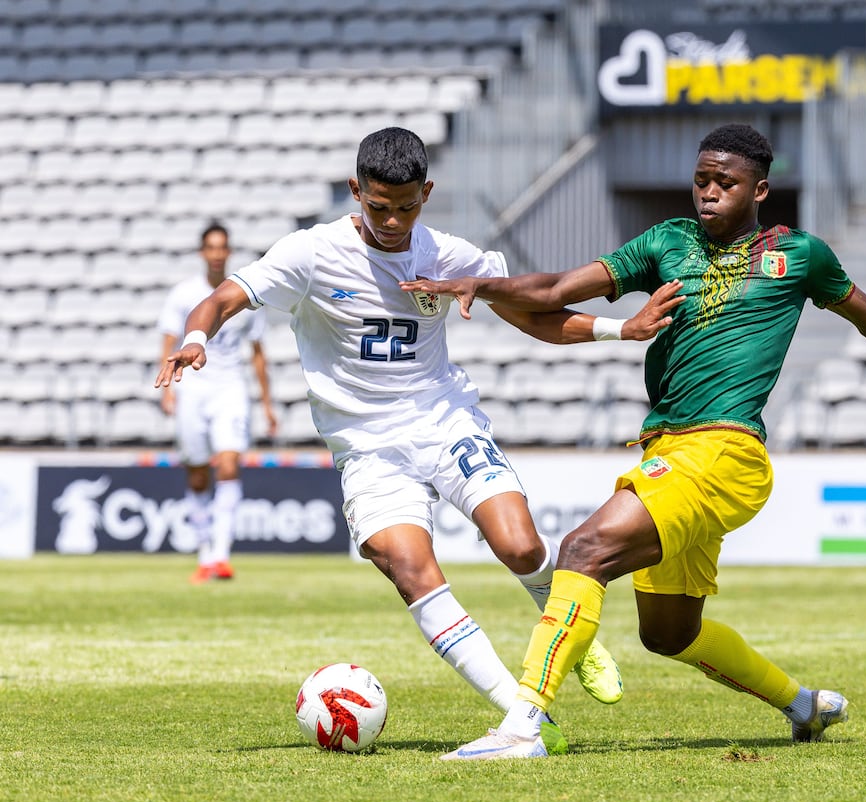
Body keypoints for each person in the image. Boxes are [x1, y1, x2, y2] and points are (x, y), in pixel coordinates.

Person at [400, 123, 866, 760]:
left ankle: (523, 727)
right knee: (669, 633)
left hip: (726, 453)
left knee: (583, 549)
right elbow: (559, 290)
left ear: (759, 190)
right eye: (701, 180)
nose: (708, 193)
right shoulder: (666, 242)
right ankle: (802, 704)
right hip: (667, 451)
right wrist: (480, 284)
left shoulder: (799, 255)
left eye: (724, 183)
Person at [155, 127, 684, 725]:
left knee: (521, 544)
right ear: (356, 190)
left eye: (406, 208)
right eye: (378, 207)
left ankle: (570, 633)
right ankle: (521, 714)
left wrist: (622, 329)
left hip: (444, 420)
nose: (392, 222)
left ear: (426, 193)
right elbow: (224, 298)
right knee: (410, 567)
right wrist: (196, 339)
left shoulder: (448, 255)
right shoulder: (310, 253)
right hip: (367, 448)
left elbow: (536, 317)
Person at [158, 222, 278, 584]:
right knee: (197, 472)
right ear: (202, 252)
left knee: (228, 466)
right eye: (210, 247)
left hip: (231, 391)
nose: (216, 254)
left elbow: (258, 355)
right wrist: (167, 390)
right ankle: (204, 550)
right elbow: (168, 341)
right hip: (192, 390)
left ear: (227, 252)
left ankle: (221, 556)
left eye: (221, 247)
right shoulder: (183, 294)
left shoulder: (241, 295)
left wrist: (268, 403)